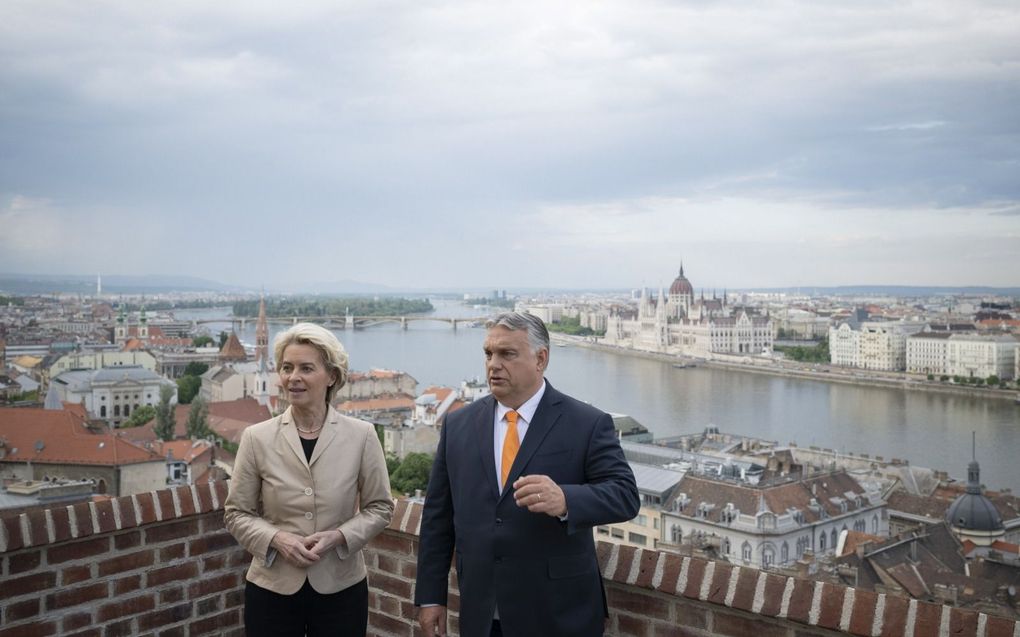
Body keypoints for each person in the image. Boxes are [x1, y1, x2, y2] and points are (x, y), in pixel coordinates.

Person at [415, 312, 639, 637]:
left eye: (507, 354)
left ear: (541, 359)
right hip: (481, 613)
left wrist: (566, 500)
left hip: (558, 614)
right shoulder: (458, 424)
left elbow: (625, 496)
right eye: (489, 353)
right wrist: (430, 596)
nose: (493, 364)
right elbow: (437, 517)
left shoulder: (587, 423)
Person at [225, 322, 394, 637]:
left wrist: (338, 537)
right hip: (272, 587)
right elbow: (236, 513)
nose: (293, 377)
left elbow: (380, 507)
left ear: (331, 376)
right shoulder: (256, 438)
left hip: (341, 587)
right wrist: (278, 539)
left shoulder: (362, 436)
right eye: (287, 368)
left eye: (306, 368)